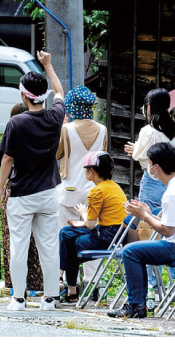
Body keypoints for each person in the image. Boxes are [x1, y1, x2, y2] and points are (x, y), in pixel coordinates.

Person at [0, 51, 65, 311]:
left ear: (24, 95)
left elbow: (7, 160)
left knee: (19, 247)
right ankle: (49, 298)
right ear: (42, 95)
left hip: (22, 193)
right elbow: (59, 92)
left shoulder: (17, 122)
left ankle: (19, 298)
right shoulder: (55, 117)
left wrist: (1, 189)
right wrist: (48, 64)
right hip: (49, 192)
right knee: (48, 246)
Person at [108, 142, 175, 319]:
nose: (148, 167)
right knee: (135, 251)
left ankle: (135, 305)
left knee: (130, 251)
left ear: (156, 168)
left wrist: (144, 216)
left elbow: (168, 230)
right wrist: (147, 213)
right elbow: (171, 223)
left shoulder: (173, 193)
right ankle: (138, 303)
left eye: (149, 163)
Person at [0, 103, 45, 296]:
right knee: (40, 240)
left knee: (14, 241)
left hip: (17, 193)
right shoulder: (45, 137)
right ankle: (40, 286)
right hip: (43, 192)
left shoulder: (10, 142)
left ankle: (17, 288)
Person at [124, 88, 175, 289]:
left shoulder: (149, 130)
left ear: (150, 107)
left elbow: (141, 155)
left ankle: (152, 284)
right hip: (170, 180)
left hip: (151, 180)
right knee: (171, 229)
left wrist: (135, 152)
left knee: (147, 229)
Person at [58, 151, 127, 303]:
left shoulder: (96, 191)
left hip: (104, 238)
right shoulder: (115, 187)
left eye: (86, 170)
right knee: (67, 233)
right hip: (116, 236)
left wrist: (83, 213)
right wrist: (81, 223)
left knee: (68, 241)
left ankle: (64, 283)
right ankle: (68, 288)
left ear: (92, 171)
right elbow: (102, 220)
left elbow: (90, 224)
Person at [56, 86, 108, 285]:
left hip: (69, 189)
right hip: (94, 191)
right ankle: (93, 281)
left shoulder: (66, 129)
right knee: (92, 233)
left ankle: (70, 284)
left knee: (66, 238)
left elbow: (57, 154)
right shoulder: (102, 130)